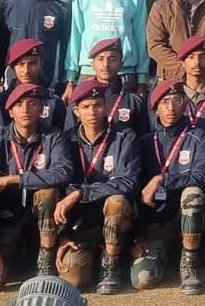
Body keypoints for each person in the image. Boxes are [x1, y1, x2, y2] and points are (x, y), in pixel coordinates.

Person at [0, 83, 75, 289]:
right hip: (6, 220)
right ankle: (10, 255)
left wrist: (14, 179)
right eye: (19, 105)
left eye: (32, 104)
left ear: (42, 109)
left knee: (48, 192)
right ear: (10, 110)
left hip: (42, 220)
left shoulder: (54, 137)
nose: (25, 110)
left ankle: (45, 260)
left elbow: (63, 172)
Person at [54, 79, 140, 294]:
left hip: (116, 217)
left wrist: (82, 193)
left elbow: (129, 182)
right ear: (76, 111)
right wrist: (63, 235)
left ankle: (111, 265)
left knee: (117, 201)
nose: (92, 112)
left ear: (106, 107)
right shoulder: (67, 140)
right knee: (73, 279)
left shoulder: (124, 136)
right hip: (82, 223)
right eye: (86, 107)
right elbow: (61, 184)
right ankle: (93, 256)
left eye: (98, 105)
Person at [131, 80, 205, 294]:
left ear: (185, 105)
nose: (171, 107)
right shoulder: (144, 142)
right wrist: (137, 237)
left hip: (185, 218)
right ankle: (165, 254)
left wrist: (163, 179)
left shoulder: (199, 137)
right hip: (155, 224)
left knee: (193, 194)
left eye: (177, 101)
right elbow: (135, 191)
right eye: (165, 102)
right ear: (155, 107)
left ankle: (189, 265)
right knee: (143, 279)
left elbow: (203, 176)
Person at [0, 0, 72, 91]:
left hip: (48, 84)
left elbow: (66, 49)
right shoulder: (9, 6)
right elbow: (0, 46)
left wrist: (66, 81)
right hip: (14, 83)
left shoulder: (61, 9)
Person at [64, 38, 147, 137]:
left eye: (112, 59)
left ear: (121, 65)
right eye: (100, 59)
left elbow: (143, 140)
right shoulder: (79, 100)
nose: (106, 65)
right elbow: (69, 136)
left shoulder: (134, 102)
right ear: (93, 65)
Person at [0, 40, 67, 134]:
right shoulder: (0, 101)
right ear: (13, 66)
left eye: (32, 64)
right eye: (21, 64)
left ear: (41, 64)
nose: (26, 70)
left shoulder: (54, 103)